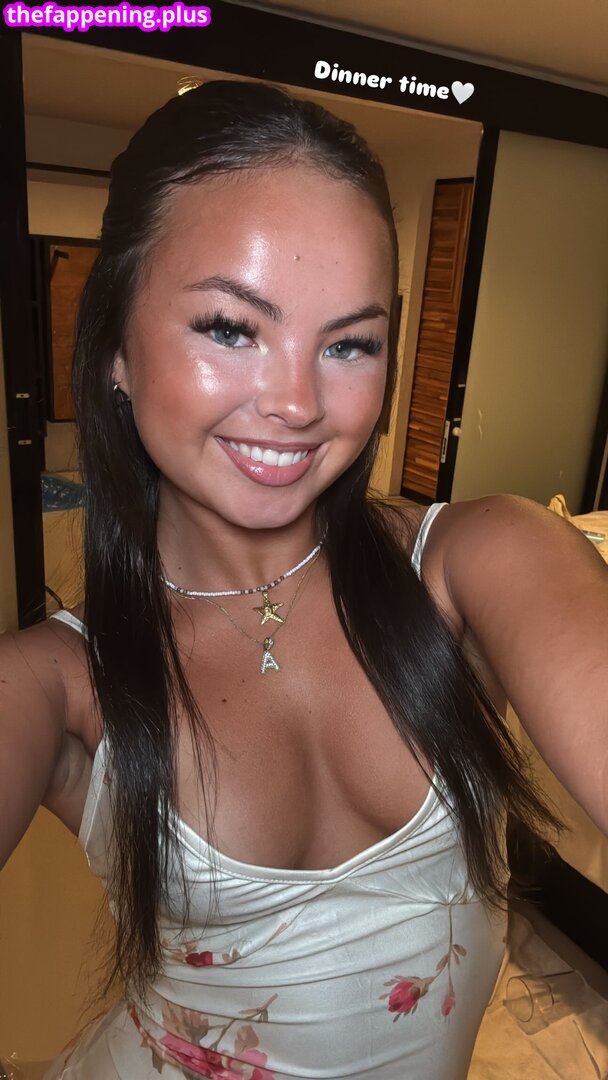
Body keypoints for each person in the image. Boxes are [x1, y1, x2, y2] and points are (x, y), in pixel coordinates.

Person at [0, 79, 606, 1080]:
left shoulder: (474, 565)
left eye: (349, 343)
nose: (297, 402)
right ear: (113, 348)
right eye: (230, 328)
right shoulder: (57, 683)